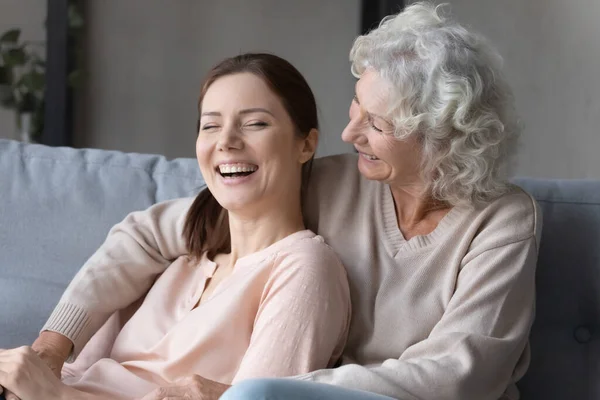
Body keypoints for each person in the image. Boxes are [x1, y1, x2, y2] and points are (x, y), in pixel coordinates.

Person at [3, 2, 543, 400]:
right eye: (355, 107)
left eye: (375, 124)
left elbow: (461, 372)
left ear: (440, 137)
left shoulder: (501, 223)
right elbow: (158, 230)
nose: (348, 133)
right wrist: (54, 348)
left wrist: (265, 390)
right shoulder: (338, 180)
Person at [0, 53, 351, 400]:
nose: (225, 141)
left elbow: (259, 398)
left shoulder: (304, 268)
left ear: (306, 144)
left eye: (255, 123)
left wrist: (54, 396)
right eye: (210, 125)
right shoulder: (181, 259)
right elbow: (73, 373)